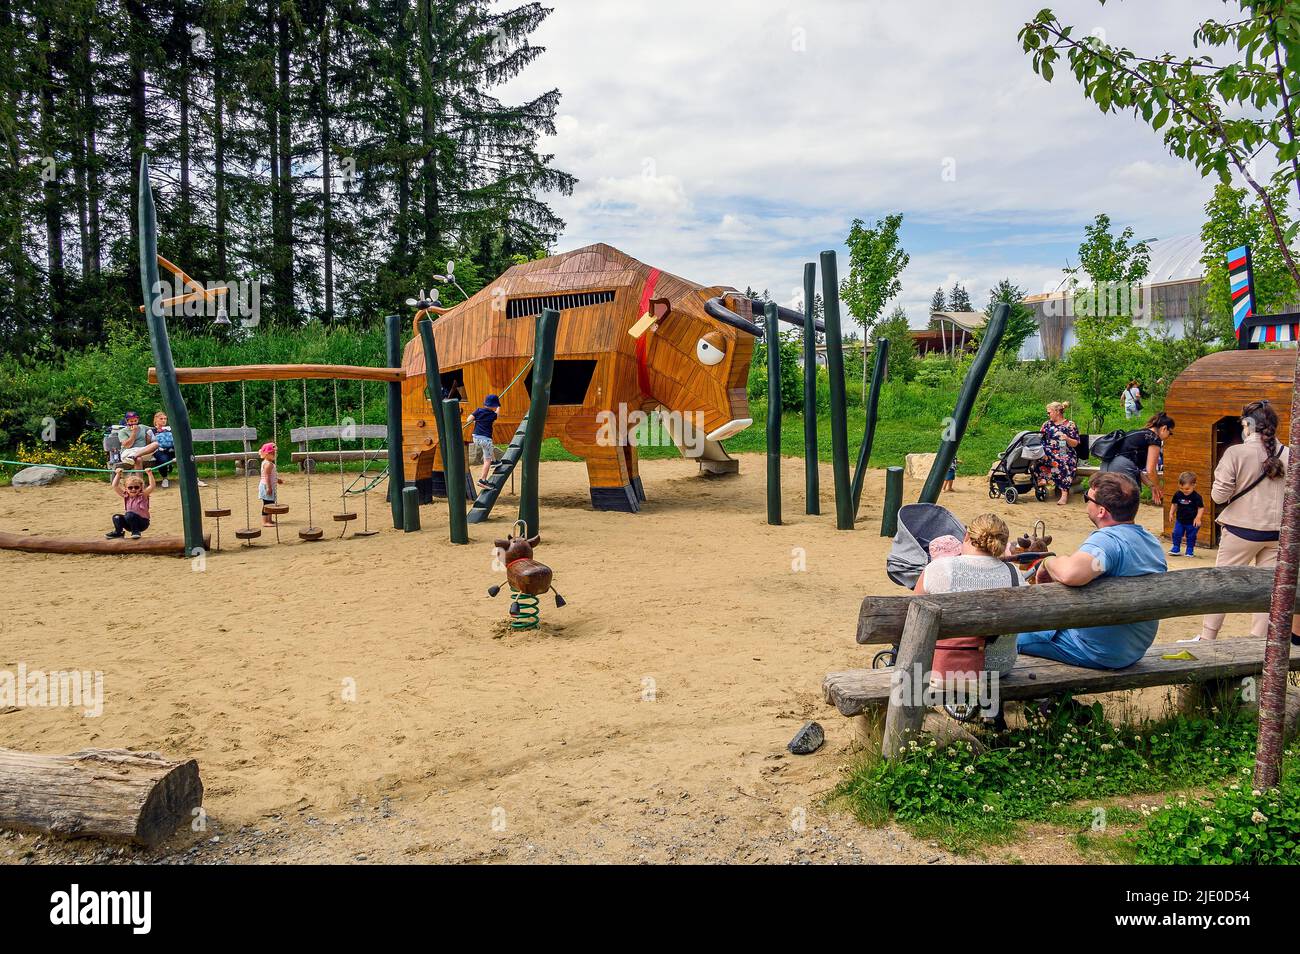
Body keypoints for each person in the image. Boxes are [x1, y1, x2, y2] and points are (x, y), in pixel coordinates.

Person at [1016, 473, 1166, 669]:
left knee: (1002, 636)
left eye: (1087, 498)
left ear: (1102, 511)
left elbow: (1071, 574)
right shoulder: (1150, 541)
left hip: (1098, 650)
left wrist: (1048, 562)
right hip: (1133, 647)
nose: (1086, 502)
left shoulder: (1109, 540)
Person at [1195, 400, 1297, 643]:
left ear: (1247, 425)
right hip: (1277, 534)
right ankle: (1257, 641)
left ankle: (1208, 637)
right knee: (1267, 589)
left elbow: (1218, 495)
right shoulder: (1291, 454)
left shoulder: (1235, 453)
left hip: (1240, 531)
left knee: (1222, 583)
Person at [915, 513, 1021, 680]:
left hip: (949, 665)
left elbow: (915, 615)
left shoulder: (938, 568)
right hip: (1000, 666)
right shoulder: (1014, 573)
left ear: (966, 537)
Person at [1101, 411, 1172, 505]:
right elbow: (1150, 470)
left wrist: (1151, 486)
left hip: (1106, 465)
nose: (1168, 437)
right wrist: (1159, 488)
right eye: (1170, 433)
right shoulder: (1154, 438)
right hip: (1121, 467)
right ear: (1164, 428)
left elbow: (1134, 467)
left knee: (1110, 503)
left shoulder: (1138, 432)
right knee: (1127, 503)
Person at [1039, 401, 1081, 506]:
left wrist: (1066, 438)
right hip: (1048, 450)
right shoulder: (1047, 424)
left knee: (1063, 461)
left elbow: (1075, 443)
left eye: (1049, 412)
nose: (1048, 415)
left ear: (1057, 412)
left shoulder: (1070, 424)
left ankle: (1064, 493)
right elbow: (1039, 438)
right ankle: (1043, 479)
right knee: (1038, 458)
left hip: (1064, 450)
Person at [106, 468, 156, 539]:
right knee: (116, 517)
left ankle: (136, 531)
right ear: (126, 488)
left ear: (141, 488)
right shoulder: (126, 496)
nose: (133, 489)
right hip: (129, 523)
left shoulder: (143, 495)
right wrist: (118, 474)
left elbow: (152, 486)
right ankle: (118, 532)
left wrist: (149, 473)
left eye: (136, 487)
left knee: (129, 514)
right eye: (130, 487)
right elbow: (115, 486)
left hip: (142, 523)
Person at [468, 393, 501, 488]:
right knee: (487, 460)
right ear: (494, 406)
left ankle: (494, 461)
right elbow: (497, 414)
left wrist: (476, 420)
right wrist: (499, 406)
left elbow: (468, 420)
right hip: (486, 440)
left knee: (489, 451)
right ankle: (482, 480)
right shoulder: (492, 415)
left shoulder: (478, 411)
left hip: (475, 438)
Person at [1168, 471, 1204, 558]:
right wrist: (1171, 513)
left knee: (1191, 536)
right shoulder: (1178, 494)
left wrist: (1198, 518)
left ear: (1194, 485)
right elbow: (1174, 504)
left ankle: (1189, 549)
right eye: (1181, 488)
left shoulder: (1196, 497)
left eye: (1187, 489)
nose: (1184, 491)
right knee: (1177, 533)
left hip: (1192, 522)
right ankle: (1176, 547)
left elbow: (1201, 508)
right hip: (1180, 520)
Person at [258, 442, 284, 528]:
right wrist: (269, 488)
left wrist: (277, 480)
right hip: (266, 486)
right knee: (267, 504)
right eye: (272, 453)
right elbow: (267, 477)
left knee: (271, 503)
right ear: (266, 454)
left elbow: (272, 476)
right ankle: (265, 521)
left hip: (269, 485)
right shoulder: (268, 464)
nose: (274, 455)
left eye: (274, 453)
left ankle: (269, 519)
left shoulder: (268, 463)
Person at [152, 411, 176, 487]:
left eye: (165, 419)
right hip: (159, 450)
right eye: (161, 419)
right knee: (163, 459)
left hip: (172, 449)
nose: (163, 420)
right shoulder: (151, 431)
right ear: (156, 420)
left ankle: (196, 478)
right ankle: (165, 478)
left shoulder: (171, 429)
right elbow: (149, 444)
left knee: (188, 455)